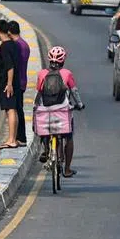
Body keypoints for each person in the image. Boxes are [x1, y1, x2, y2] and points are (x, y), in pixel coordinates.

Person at [33, 46, 84, 176]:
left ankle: (46, 150)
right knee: (69, 137)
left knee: (43, 127)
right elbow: (74, 92)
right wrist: (79, 104)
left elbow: (39, 92)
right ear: (63, 60)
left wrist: (36, 107)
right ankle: (67, 169)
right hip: (62, 110)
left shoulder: (42, 74)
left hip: (45, 109)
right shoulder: (67, 74)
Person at [0, 19, 22, 149]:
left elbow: (9, 66)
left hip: (8, 83)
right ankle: (13, 138)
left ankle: (11, 140)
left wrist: (9, 83)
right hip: (16, 81)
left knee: (10, 110)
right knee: (12, 110)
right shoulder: (15, 44)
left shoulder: (5, 47)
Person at [8, 21, 31, 145]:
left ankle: (20, 136)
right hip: (22, 80)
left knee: (17, 110)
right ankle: (20, 136)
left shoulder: (17, 45)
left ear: (9, 32)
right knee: (18, 109)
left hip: (17, 81)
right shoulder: (24, 44)